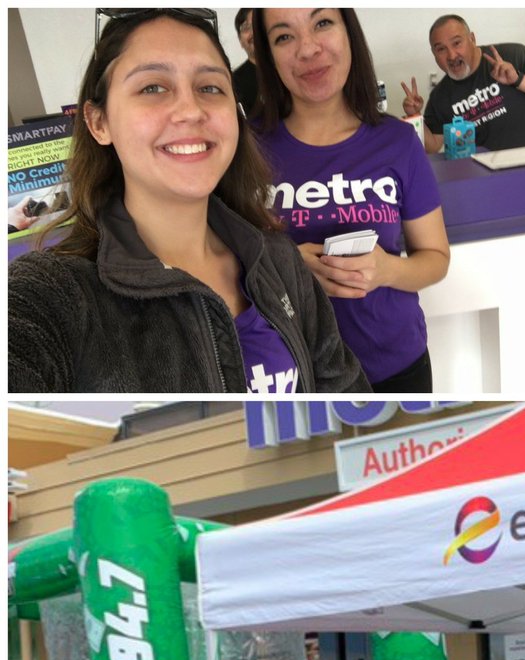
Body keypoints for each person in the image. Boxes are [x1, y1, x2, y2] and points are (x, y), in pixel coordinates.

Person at [8, 8, 368, 393]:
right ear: (99, 123)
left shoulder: (278, 260)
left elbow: (347, 398)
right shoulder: (54, 295)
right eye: (152, 87)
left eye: (210, 88)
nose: (191, 111)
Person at [254, 8, 451, 392]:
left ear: (349, 33)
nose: (308, 49)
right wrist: (287, 268)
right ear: (268, 56)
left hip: (396, 366)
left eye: (322, 23)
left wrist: (386, 270)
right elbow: (221, 264)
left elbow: (436, 258)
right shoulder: (246, 149)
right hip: (294, 373)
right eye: (284, 36)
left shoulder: (398, 141)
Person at [401, 15, 525, 154]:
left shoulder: (512, 54)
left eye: (457, 43)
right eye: (441, 49)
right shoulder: (440, 96)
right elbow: (433, 146)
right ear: (434, 54)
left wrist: (518, 79)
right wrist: (414, 115)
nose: (451, 55)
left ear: (472, 39)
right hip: (493, 173)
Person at [232, 8, 260, 117]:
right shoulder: (234, 82)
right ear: (240, 41)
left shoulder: (289, 69)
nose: (253, 32)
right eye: (245, 27)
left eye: (257, 25)